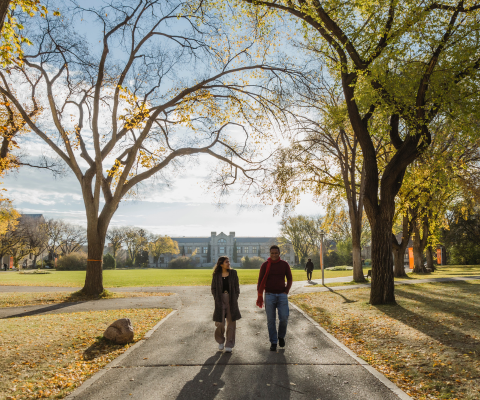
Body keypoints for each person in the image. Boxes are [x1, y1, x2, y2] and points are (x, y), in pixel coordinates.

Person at [256, 245, 293, 351]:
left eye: (276, 253)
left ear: (279, 253)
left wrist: (286, 291)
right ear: (270, 253)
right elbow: (260, 281)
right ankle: (273, 342)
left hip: (282, 295)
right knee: (271, 320)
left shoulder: (284, 264)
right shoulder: (265, 265)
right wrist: (260, 295)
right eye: (272, 253)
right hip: (269, 295)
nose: (274, 255)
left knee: (284, 318)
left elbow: (289, 279)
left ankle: (281, 336)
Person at [211, 256, 241, 353]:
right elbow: (213, 288)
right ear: (221, 264)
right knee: (220, 323)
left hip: (231, 299)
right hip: (220, 300)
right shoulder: (216, 275)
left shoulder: (233, 273)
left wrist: (235, 297)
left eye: (229, 261)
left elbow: (237, 287)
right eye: (226, 262)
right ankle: (220, 340)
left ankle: (229, 343)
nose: (229, 263)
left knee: (231, 323)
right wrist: (216, 298)